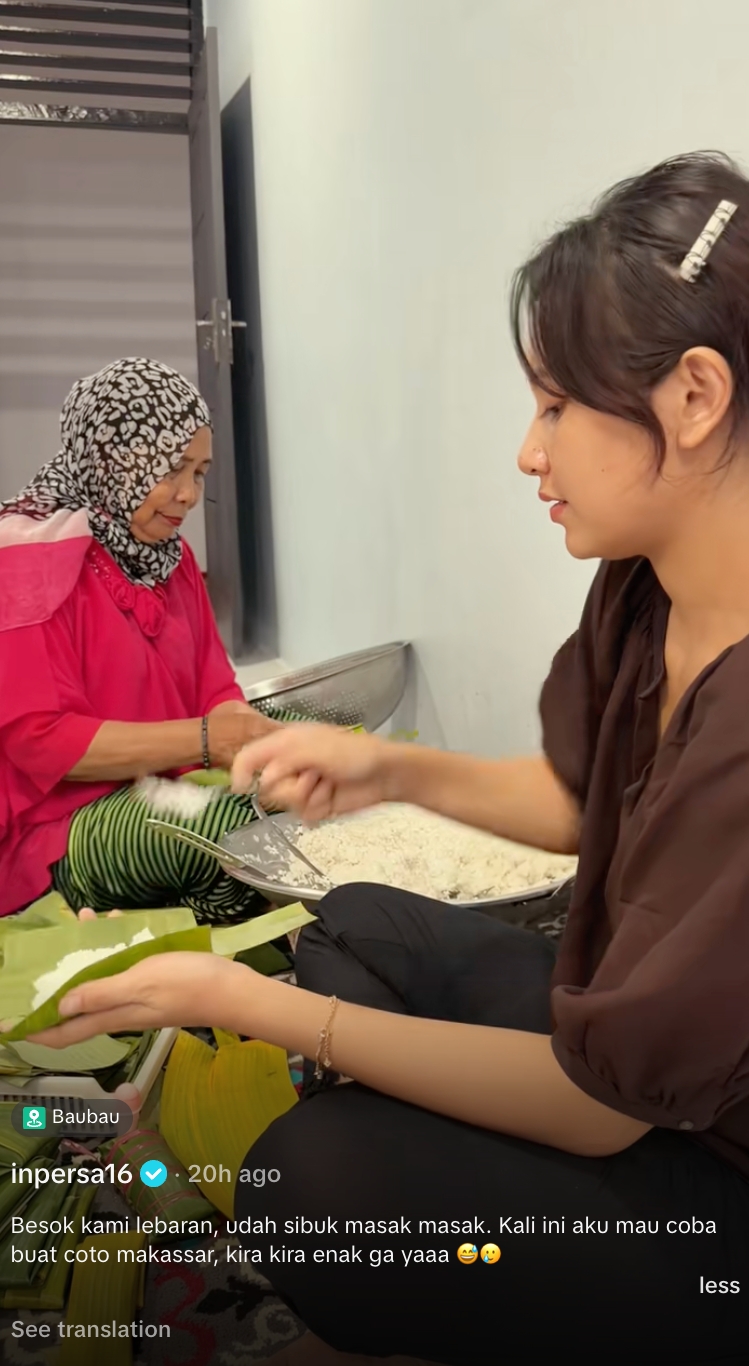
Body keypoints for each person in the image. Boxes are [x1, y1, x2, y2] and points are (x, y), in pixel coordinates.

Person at [32, 154, 749, 1365]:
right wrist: (388, 773)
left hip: (685, 1138)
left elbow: (601, 1111)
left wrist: (246, 1000)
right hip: (75, 823)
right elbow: (580, 805)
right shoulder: (642, 589)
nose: (529, 454)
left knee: (308, 1184)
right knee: (360, 919)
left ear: (689, 398)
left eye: (556, 408)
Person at [0, 357, 298, 924]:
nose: (187, 494)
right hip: (57, 831)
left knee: (305, 790)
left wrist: (255, 752)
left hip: (159, 790)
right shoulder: (25, 560)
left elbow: (215, 683)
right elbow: (40, 741)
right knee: (228, 835)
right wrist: (210, 740)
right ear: (112, 455)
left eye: (200, 473)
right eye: (172, 469)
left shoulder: (171, 559)